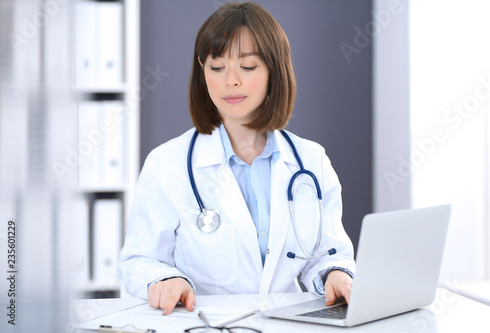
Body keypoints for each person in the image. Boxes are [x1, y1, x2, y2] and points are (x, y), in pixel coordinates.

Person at [118, 1, 355, 316]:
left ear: (275, 70)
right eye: (217, 67)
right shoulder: (167, 163)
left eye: (248, 66)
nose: (231, 80)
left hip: (288, 324)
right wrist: (165, 278)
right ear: (203, 70)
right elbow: (139, 260)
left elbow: (326, 254)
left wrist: (335, 274)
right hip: (206, 324)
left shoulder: (310, 161)